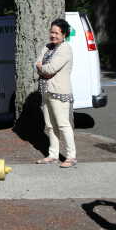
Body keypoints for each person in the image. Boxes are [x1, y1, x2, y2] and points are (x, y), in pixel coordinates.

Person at [35, 18, 77, 168]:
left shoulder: (65, 49)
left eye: (57, 33)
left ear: (64, 34)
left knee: (63, 124)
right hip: (46, 91)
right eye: (51, 32)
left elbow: (49, 69)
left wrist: (43, 68)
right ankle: (53, 155)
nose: (53, 35)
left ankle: (71, 157)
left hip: (59, 92)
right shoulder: (47, 47)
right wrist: (42, 68)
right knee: (50, 125)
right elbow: (38, 63)